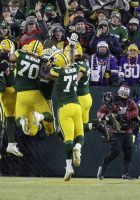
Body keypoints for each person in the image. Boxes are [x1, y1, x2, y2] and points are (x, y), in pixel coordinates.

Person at [0, 40, 55, 137]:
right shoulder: (43, 60)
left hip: (21, 94)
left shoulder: (20, 53)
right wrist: (48, 62)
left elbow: (6, 56)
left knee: (18, 120)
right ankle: (40, 117)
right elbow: (50, 75)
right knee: (49, 117)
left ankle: (25, 122)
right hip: (35, 93)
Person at [46, 51, 84, 181]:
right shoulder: (74, 69)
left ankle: (68, 167)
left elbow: (47, 74)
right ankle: (78, 148)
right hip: (77, 106)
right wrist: (72, 49)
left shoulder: (57, 71)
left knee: (68, 139)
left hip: (64, 107)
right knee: (80, 136)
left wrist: (49, 61)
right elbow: (73, 63)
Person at [96, 84, 139, 180]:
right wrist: (107, 117)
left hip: (127, 131)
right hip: (115, 131)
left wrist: (126, 116)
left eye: (124, 95)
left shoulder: (131, 103)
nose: (122, 97)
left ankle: (125, 173)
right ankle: (102, 168)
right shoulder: (112, 102)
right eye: (121, 94)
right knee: (115, 152)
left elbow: (136, 112)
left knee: (129, 152)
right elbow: (99, 112)